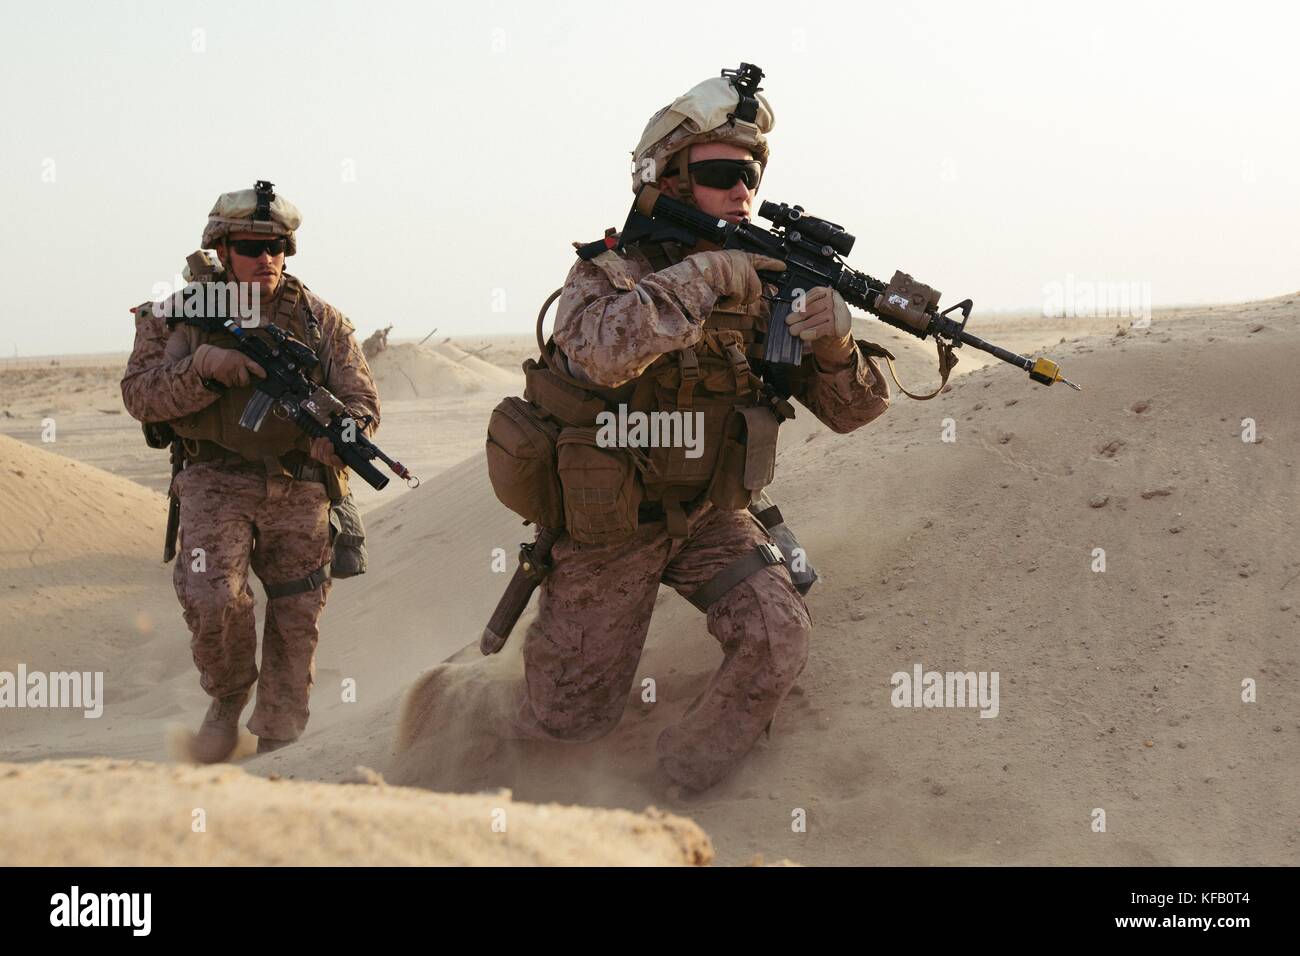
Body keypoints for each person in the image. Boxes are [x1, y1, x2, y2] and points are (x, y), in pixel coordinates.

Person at [121, 182, 379, 762]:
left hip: (299, 484)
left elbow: (363, 401)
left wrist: (341, 438)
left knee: (298, 610)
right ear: (221, 246)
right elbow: (140, 396)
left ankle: (279, 743)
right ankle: (228, 697)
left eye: (278, 247)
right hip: (213, 478)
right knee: (213, 599)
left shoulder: (320, 320)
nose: (267, 258)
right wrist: (205, 369)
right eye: (249, 246)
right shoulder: (177, 318)